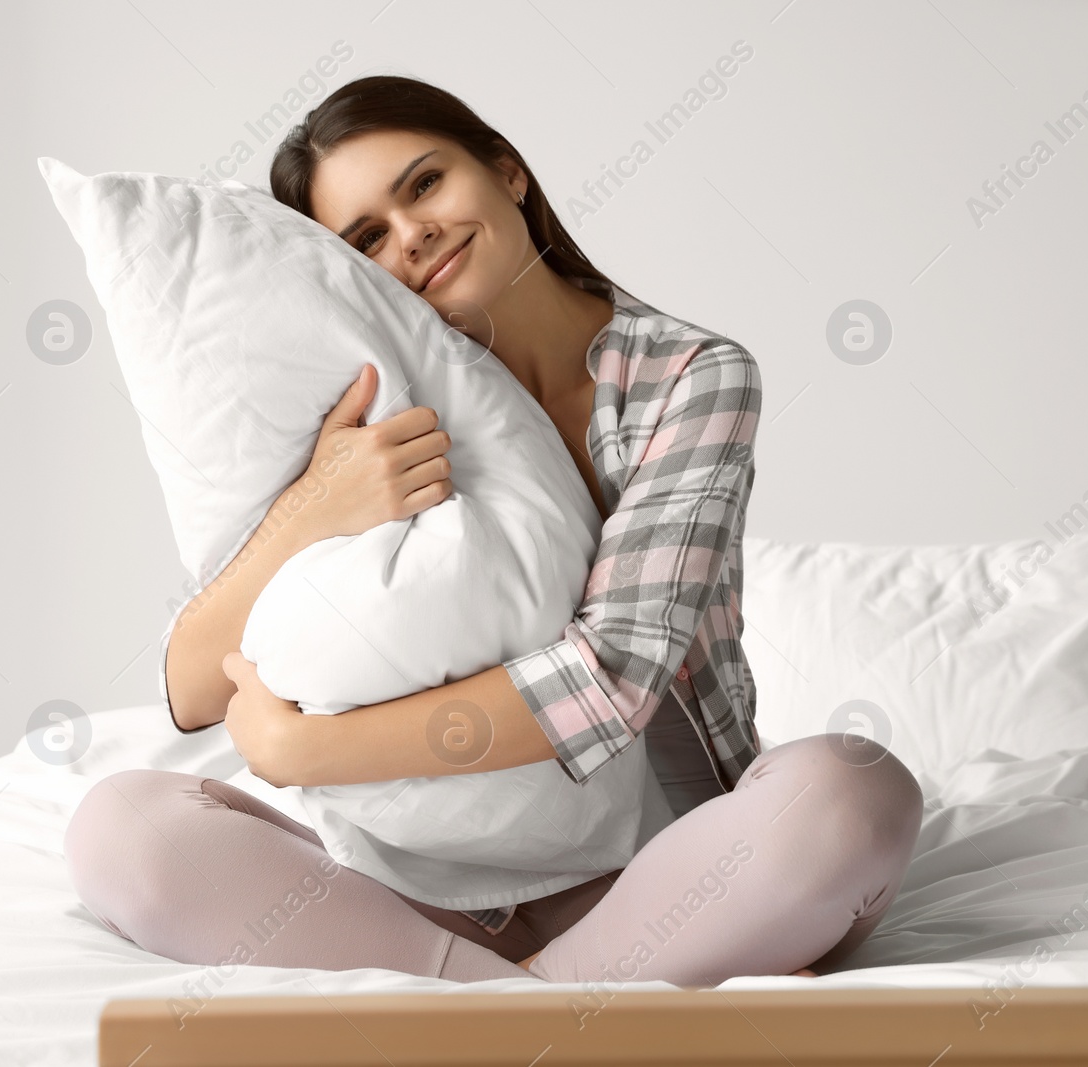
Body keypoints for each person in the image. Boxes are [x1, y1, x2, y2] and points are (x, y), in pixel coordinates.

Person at [63, 75, 924, 987]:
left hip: (661, 882)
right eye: (366, 238)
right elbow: (193, 689)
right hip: (408, 896)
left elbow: (614, 678)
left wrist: (302, 750)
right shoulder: (357, 398)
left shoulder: (689, 378)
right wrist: (316, 506)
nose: (411, 234)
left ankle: (479, 1008)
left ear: (508, 173)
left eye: (424, 184)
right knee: (119, 828)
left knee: (851, 792)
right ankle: (543, 1005)